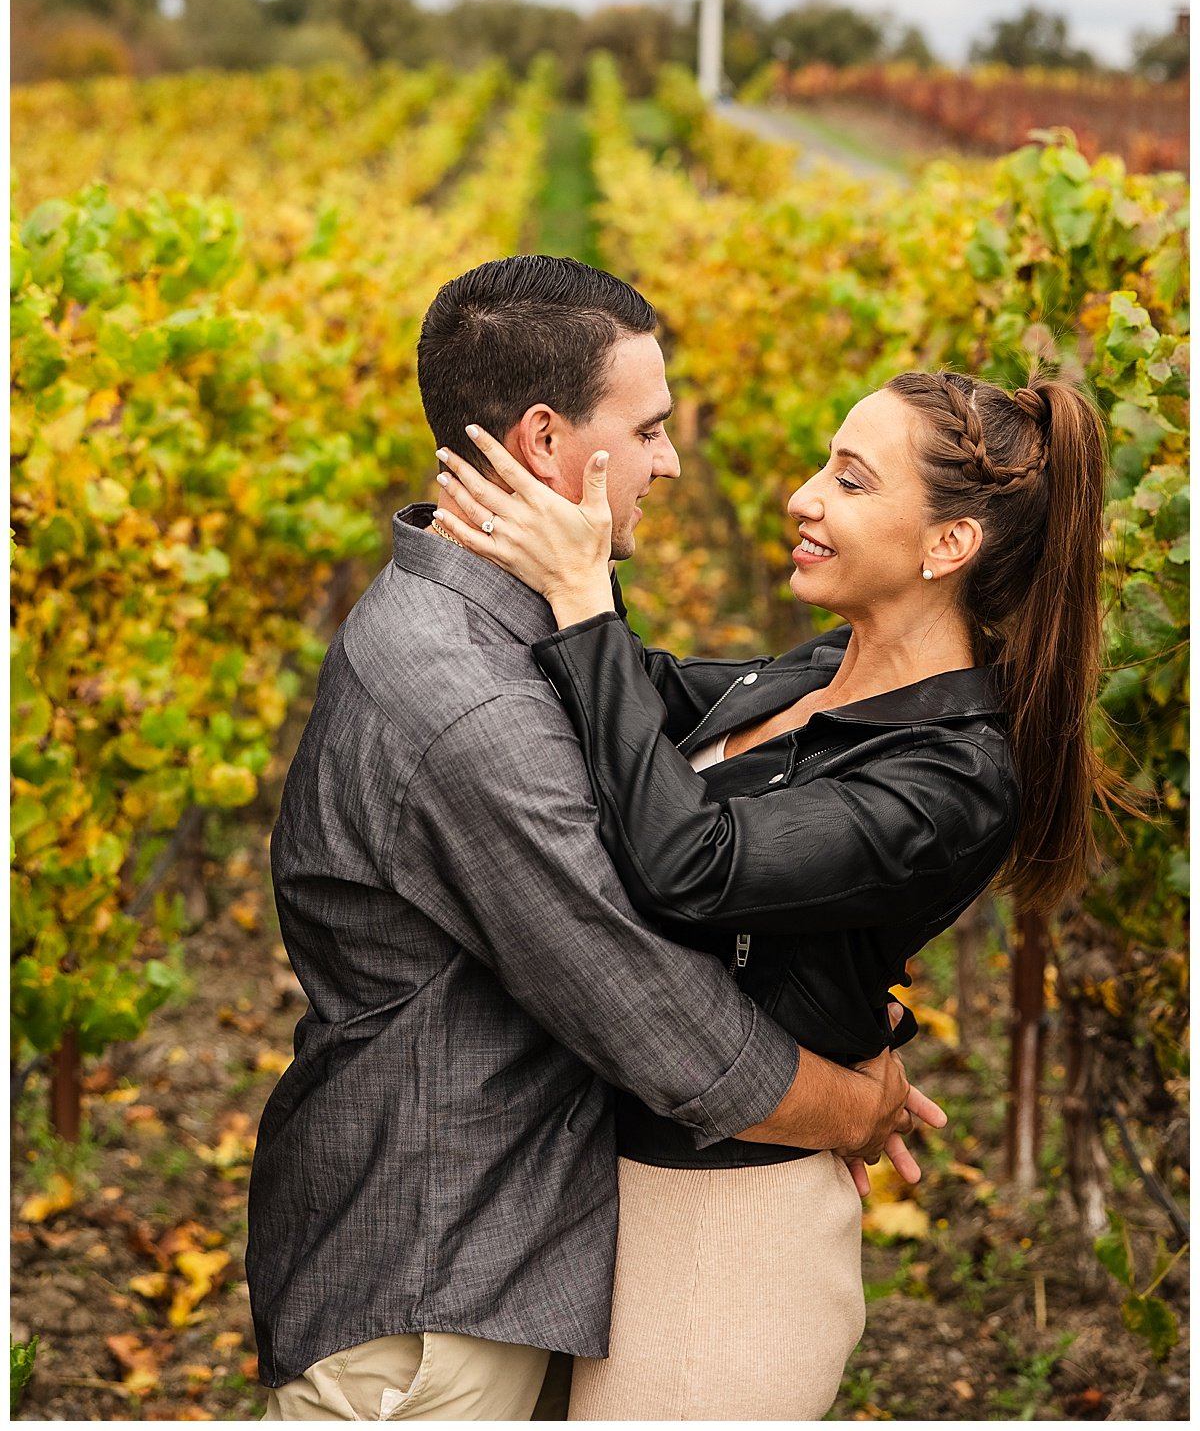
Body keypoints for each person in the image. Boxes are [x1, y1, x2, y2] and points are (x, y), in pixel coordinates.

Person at [245, 257, 940, 1423]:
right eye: (651, 427)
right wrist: (852, 1107)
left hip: (467, 1252)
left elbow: (677, 707)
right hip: (430, 1300)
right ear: (544, 439)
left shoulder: (494, 621)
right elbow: (646, 1009)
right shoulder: (465, 694)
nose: (672, 462)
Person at [432, 363, 1112, 1420]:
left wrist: (581, 598)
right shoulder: (822, 672)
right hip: (617, 1181)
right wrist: (551, 545)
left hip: (724, 1232)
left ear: (948, 546)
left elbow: (690, 859)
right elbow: (640, 695)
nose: (802, 493)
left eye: (849, 480)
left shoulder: (954, 778)